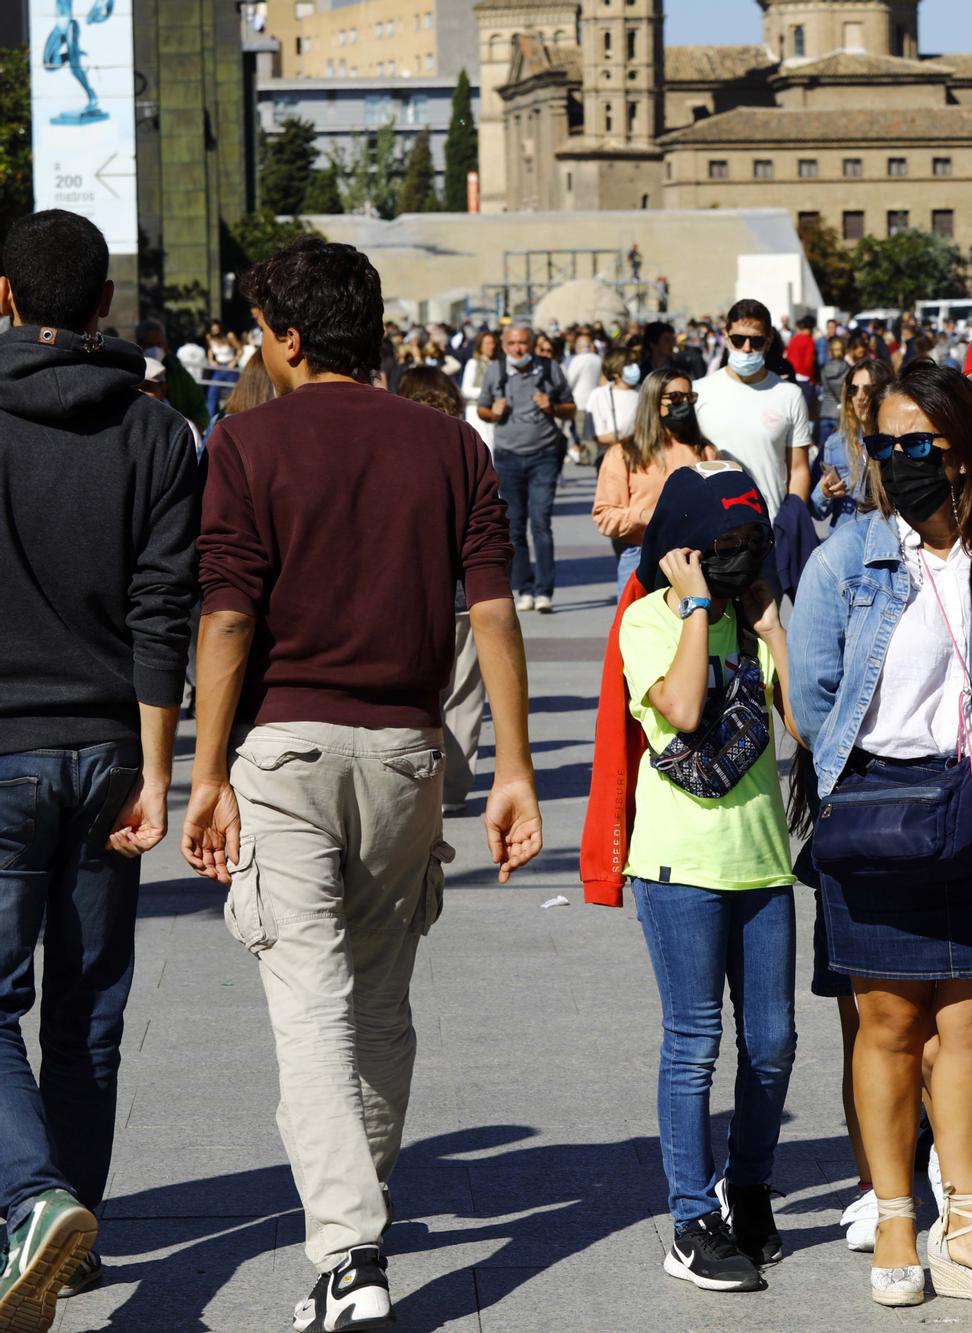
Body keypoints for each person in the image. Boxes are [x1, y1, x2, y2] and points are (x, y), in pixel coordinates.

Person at [181, 237, 544, 1333]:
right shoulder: (450, 444)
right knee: (377, 1002)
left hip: (284, 749)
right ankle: (354, 1235)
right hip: (404, 752)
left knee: (309, 1005)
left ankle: (347, 1252)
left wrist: (203, 771)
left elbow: (229, 614)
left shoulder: (245, 444)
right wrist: (515, 769)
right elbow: (491, 613)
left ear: (288, 340)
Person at [789, 360, 972, 1311]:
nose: (901, 461)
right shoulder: (844, 558)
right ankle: (896, 1214)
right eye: (886, 444)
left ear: (965, 453)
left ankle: (970, 1228)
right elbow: (812, 698)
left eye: (922, 446)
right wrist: (869, 771)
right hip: (882, 805)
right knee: (890, 1020)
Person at [0, 209, 200, 1328]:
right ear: (105, 308)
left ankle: (32, 1201)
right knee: (87, 1010)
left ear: (3, 298)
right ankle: (67, 1234)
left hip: (2, 752)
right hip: (110, 749)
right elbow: (163, 609)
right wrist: (159, 771)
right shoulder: (158, 433)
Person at [618, 466, 800, 1293]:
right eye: (718, 547)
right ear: (680, 551)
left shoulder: (755, 625)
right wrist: (696, 606)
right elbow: (686, 710)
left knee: (772, 1042)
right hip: (679, 867)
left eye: (747, 545)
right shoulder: (646, 624)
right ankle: (692, 1218)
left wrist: (777, 631)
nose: (735, 559)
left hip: (762, 862)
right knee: (694, 1044)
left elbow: (804, 725)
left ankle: (749, 1190)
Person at [395, 366, 493, 817]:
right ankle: (453, 786)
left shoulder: (394, 446)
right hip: (464, 591)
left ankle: (419, 779)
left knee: (421, 690)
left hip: (414, 591)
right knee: (465, 695)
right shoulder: (467, 444)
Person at [478, 321, 576, 613]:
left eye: (522, 343)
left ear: (530, 344)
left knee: (541, 522)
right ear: (504, 345)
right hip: (508, 456)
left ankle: (545, 591)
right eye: (511, 344)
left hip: (543, 455)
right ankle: (525, 588)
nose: (517, 349)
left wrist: (552, 407)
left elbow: (570, 407)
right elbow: (483, 409)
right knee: (514, 526)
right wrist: (492, 412)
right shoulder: (495, 371)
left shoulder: (549, 369)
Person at [596, 370, 711, 588]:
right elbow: (605, 517)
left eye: (689, 397)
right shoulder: (624, 453)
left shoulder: (704, 451)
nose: (684, 404)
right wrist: (645, 515)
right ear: (653, 400)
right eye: (675, 397)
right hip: (640, 558)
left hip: (693, 561)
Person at [694, 300, 811, 514]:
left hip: (771, 530)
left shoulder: (789, 395)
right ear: (726, 336)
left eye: (756, 341)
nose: (747, 348)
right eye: (738, 339)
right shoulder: (699, 392)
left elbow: (798, 468)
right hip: (712, 533)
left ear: (768, 341)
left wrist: (793, 522)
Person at [814, 356, 888, 529]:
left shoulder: (894, 442)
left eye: (868, 389)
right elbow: (817, 512)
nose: (860, 397)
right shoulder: (835, 443)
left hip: (884, 544)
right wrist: (825, 493)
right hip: (845, 543)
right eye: (854, 390)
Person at [587, 346, 643, 462]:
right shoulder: (599, 395)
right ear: (616, 369)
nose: (635, 367)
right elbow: (594, 433)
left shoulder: (643, 391)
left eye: (635, 362)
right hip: (612, 459)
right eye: (629, 364)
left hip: (642, 458)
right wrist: (621, 438)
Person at [565, 330, 605, 462]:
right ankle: (590, 455)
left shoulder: (578, 360)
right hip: (595, 399)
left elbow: (570, 380)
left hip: (579, 400)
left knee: (582, 430)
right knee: (592, 429)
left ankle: (587, 456)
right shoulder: (598, 359)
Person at [460, 329, 499, 448]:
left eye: (493, 343)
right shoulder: (473, 363)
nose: (491, 346)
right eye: (487, 343)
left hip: (494, 410)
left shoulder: (497, 364)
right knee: (482, 444)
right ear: (480, 346)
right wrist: (486, 393)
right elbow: (466, 390)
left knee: (493, 443)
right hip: (475, 409)